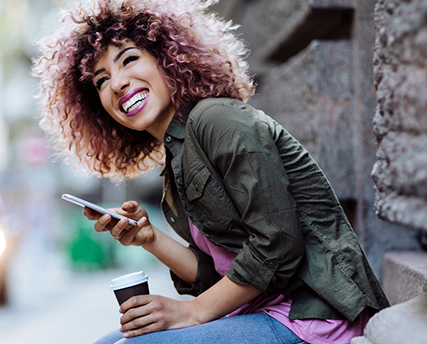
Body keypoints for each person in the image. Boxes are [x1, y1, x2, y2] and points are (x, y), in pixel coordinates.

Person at [34, 0, 389, 343]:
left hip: (316, 318)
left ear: (167, 58)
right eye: (101, 80)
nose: (117, 83)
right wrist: (150, 238)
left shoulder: (216, 119)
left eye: (129, 60)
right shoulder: (177, 158)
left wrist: (192, 312)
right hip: (262, 312)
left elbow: (279, 244)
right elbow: (215, 275)